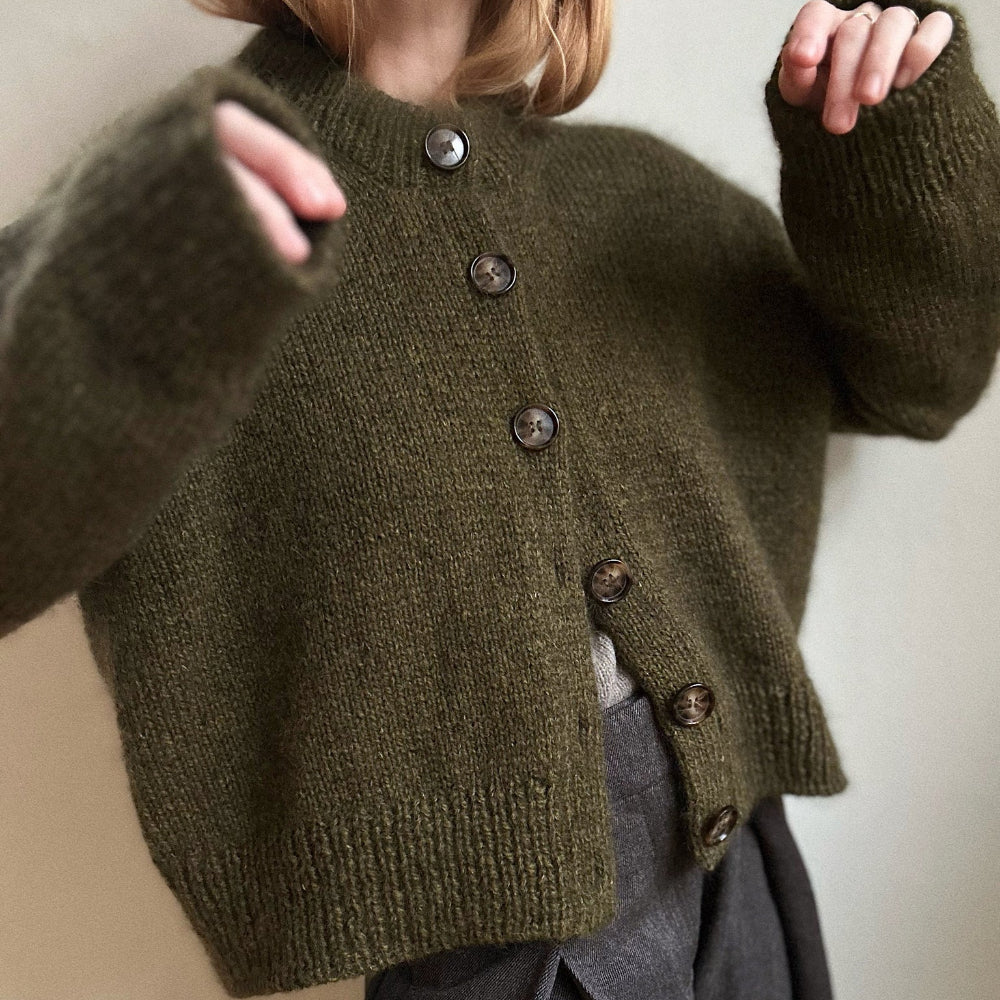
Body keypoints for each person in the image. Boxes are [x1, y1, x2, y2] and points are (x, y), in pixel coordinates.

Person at [1, 1, 996, 998]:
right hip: (491, 940)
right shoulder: (190, 217)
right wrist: (102, 277)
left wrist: (891, 146)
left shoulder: (644, 199)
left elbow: (917, 384)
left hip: (739, 868)